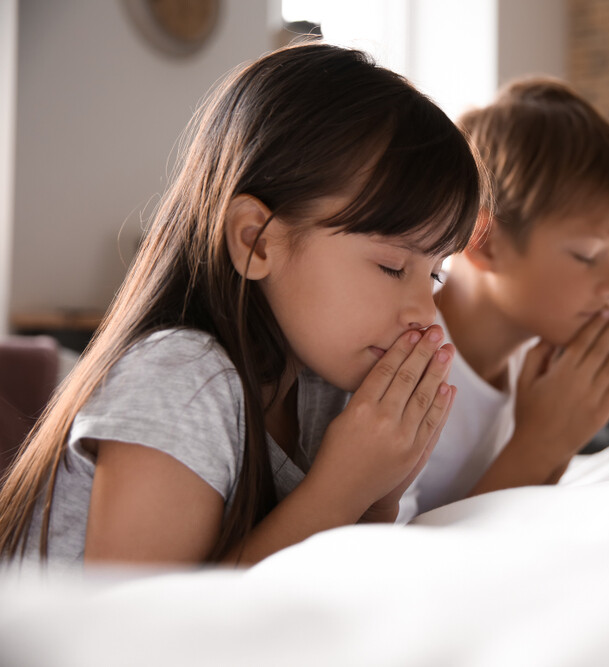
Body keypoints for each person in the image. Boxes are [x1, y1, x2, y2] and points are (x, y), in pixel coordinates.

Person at [0, 42, 482, 567]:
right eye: (393, 266)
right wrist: (342, 488)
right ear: (256, 241)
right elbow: (142, 630)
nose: (424, 310)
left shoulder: (325, 390)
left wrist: (381, 492)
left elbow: (326, 585)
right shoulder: (180, 378)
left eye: (435, 273)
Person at [397, 77, 609, 522]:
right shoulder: (407, 363)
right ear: (486, 242)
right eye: (587, 255)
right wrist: (542, 442)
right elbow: (390, 561)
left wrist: (563, 434)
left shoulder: (530, 368)